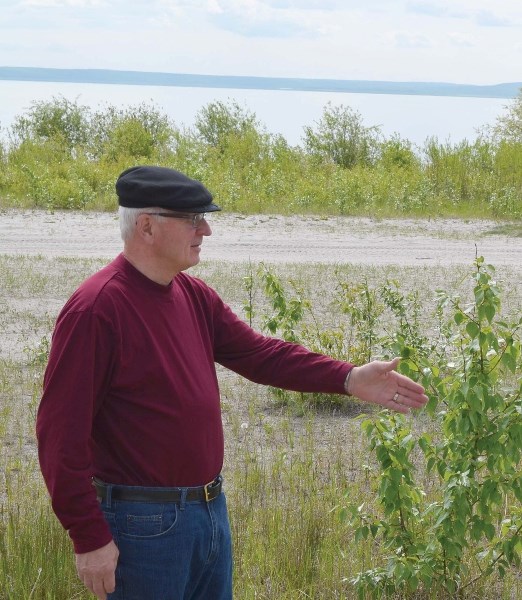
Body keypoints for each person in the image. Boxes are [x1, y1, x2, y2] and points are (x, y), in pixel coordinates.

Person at [36, 165, 428, 600]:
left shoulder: (192, 295)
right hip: (141, 526)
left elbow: (261, 354)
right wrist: (89, 537)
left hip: (208, 513)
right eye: (192, 219)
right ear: (146, 226)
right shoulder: (97, 309)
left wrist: (348, 377)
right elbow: (59, 436)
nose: (206, 229)